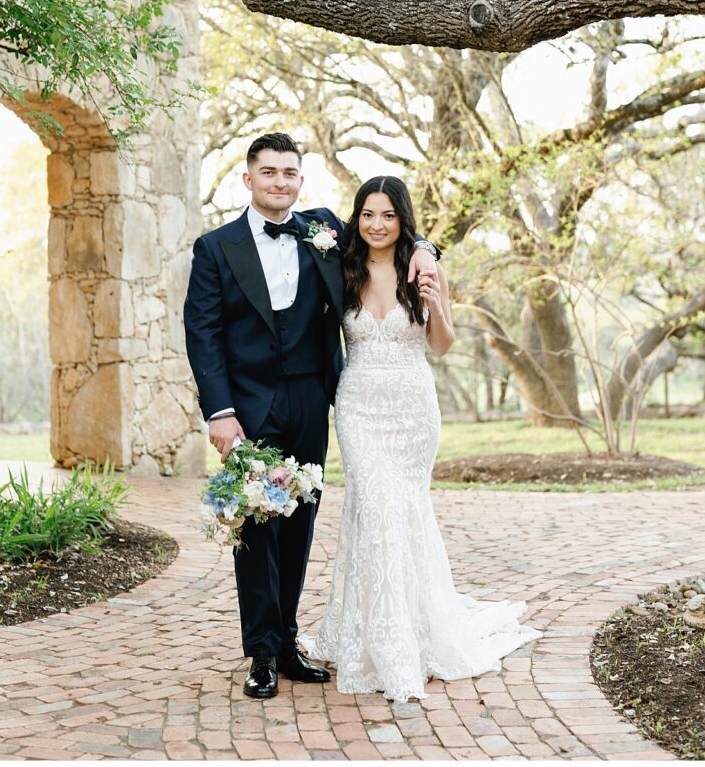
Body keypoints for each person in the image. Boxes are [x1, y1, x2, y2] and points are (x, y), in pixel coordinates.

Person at [183, 134, 439, 699]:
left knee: (298, 524)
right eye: (268, 172)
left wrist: (426, 247)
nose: (279, 182)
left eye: (289, 173)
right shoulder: (216, 248)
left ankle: (290, 639)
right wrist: (220, 414)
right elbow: (202, 334)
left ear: (301, 181)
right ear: (248, 179)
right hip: (246, 410)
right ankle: (262, 653)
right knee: (255, 526)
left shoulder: (322, 230)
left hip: (314, 401)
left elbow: (386, 227)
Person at [304, 176, 540, 703]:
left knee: (405, 512)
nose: (377, 224)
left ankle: (412, 632)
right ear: (357, 217)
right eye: (368, 214)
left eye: (388, 215)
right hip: (360, 407)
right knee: (375, 510)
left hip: (413, 409)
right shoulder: (342, 265)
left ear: (402, 218)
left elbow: (442, 345)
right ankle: (379, 643)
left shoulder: (424, 270)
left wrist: (434, 301)